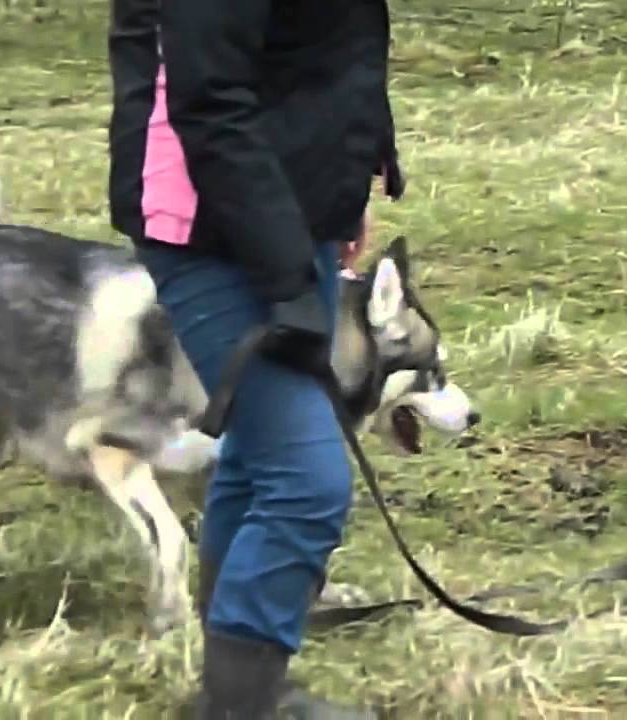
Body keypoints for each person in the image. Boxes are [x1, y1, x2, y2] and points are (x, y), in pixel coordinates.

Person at [106, 0, 405, 717]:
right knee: (305, 479)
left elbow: (329, 43)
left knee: (258, 457)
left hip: (282, 205)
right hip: (207, 223)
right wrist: (284, 267)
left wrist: (348, 179)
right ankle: (240, 705)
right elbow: (209, 97)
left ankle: (239, 691)